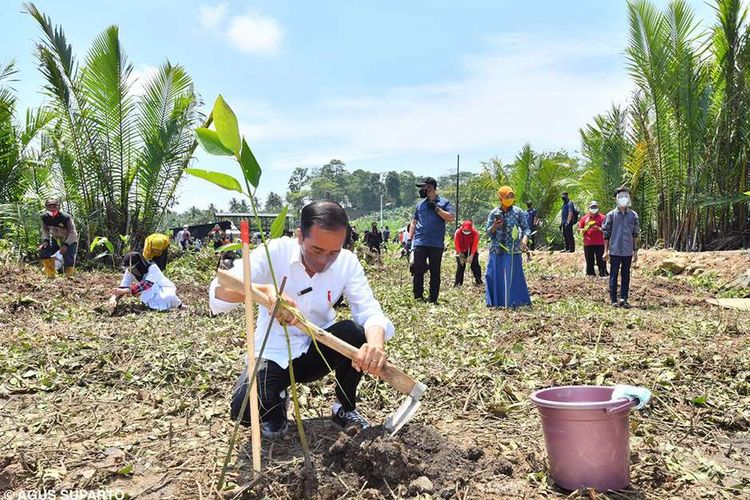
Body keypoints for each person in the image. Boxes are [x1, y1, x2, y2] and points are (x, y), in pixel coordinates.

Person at [209, 201, 395, 438]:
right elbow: (220, 289)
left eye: (333, 252)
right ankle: (277, 402)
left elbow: (369, 310)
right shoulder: (274, 251)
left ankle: (343, 407)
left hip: (319, 349)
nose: (324, 261)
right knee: (244, 410)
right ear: (299, 236)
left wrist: (376, 346)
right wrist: (263, 291)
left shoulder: (347, 262)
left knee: (357, 333)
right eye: (316, 250)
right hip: (274, 351)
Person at [409, 177, 455, 304]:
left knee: (435, 271)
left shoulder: (444, 202)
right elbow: (413, 222)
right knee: (418, 270)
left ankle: (433, 298)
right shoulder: (419, 205)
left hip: (436, 243)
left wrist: (436, 208)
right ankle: (418, 297)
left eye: (424, 187)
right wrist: (409, 237)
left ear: (431, 187)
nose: (422, 190)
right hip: (420, 242)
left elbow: (451, 218)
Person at [485, 186, 531, 308]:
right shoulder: (494, 213)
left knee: (512, 276)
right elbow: (488, 232)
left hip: (513, 250)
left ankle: (515, 303)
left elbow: (526, 229)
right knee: (493, 275)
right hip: (496, 249)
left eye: (512, 196)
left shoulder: (518, 212)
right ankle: (496, 302)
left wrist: (524, 240)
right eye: (507, 197)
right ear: (500, 198)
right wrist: (494, 226)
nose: (510, 199)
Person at [602, 187, 640, 309]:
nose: (623, 198)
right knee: (613, 274)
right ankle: (613, 299)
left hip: (627, 250)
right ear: (616, 198)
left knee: (626, 274)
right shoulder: (611, 215)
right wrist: (605, 251)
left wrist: (635, 251)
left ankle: (624, 298)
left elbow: (635, 234)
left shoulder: (633, 216)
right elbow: (606, 234)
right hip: (614, 250)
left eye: (626, 196)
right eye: (621, 196)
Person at [109, 252, 182, 312]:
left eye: (132, 268)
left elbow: (146, 284)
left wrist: (126, 291)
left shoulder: (152, 268)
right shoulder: (130, 271)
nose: (131, 271)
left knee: (167, 298)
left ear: (139, 264)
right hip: (149, 294)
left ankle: (180, 306)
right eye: (128, 268)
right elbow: (123, 286)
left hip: (162, 289)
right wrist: (114, 298)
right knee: (152, 303)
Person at [39, 198, 78, 277]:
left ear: (58, 207)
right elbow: (45, 230)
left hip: (69, 239)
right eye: (49, 206)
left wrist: (66, 245)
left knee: (69, 257)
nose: (52, 208)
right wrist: (45, 240)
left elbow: (73, 233)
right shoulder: (45, 217)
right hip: (55, 239)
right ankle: (50, 275)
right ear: (46, 207)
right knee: (44, 249)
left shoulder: (65, 217)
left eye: (54, 206)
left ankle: (69, 276)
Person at [578, 201, 608, 277]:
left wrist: (599, 229)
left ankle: (603, 274)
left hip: (600, 243)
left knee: (601, 261)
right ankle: (590, 275)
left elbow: (607, 230)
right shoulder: (584, 218)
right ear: (589, 208)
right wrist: (584, 229)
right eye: (592, 207)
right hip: (588, 243)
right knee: (589, 261)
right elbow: (579, 230)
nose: (593, 209)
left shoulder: (603, 217)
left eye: (595, 207)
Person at [454, 220, 482, 286]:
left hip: (472, 250)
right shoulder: (458, 232)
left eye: (468, 231)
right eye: (465, 231)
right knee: (461, 266)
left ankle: (478, 281)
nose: (466, 232)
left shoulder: (475, 233)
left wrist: (472, 256)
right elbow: (456, 244)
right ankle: (458, 283)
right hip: (461, 250)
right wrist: (460, 256)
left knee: (475, 265)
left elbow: (475, 245)